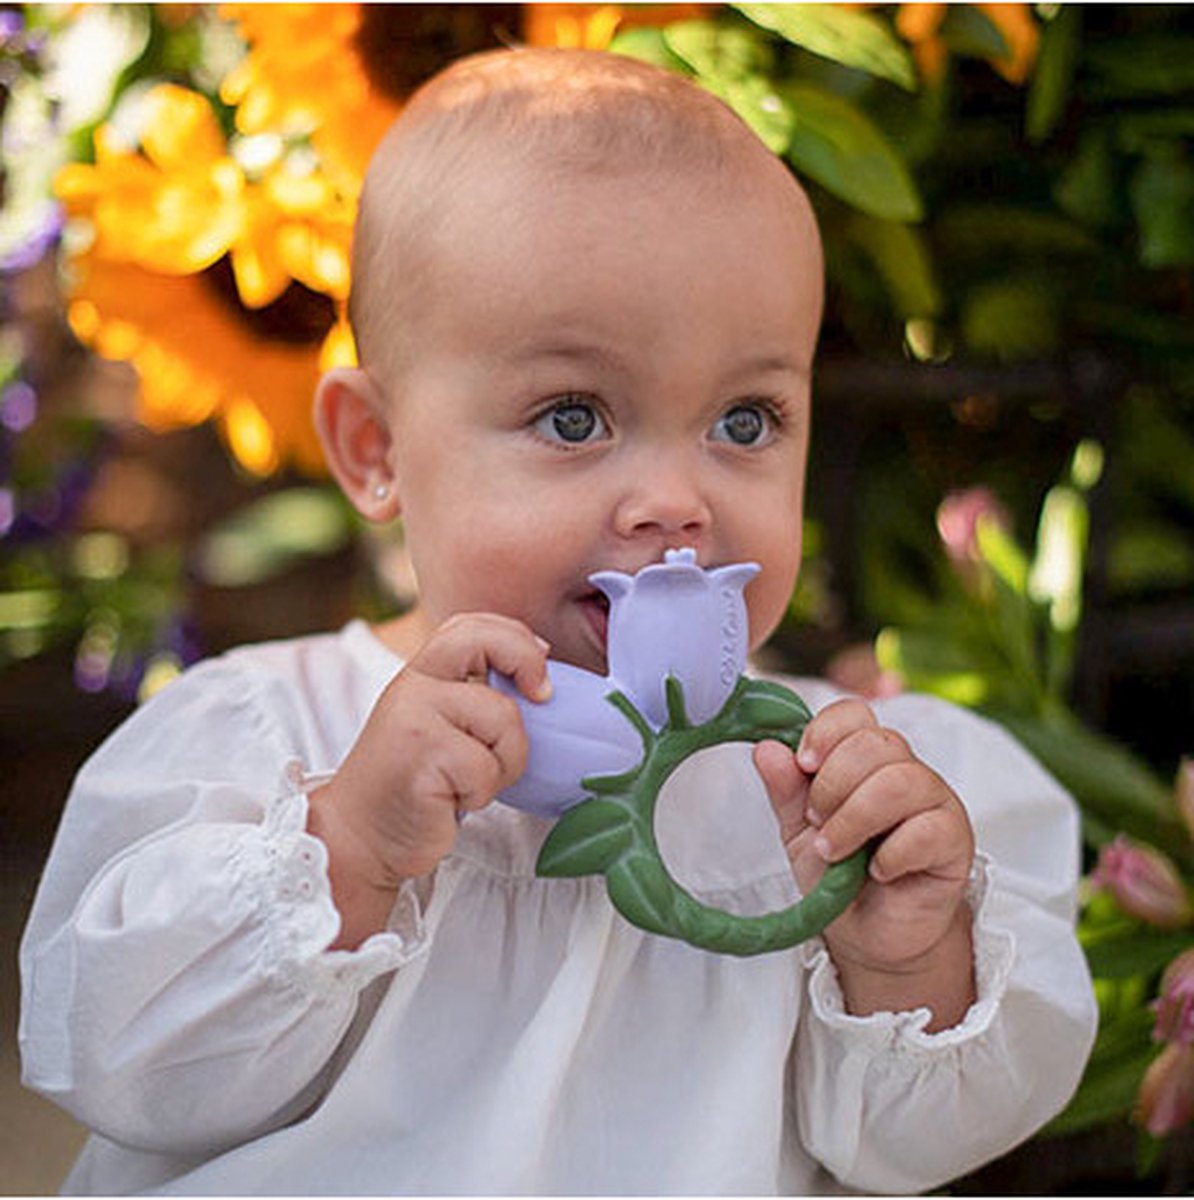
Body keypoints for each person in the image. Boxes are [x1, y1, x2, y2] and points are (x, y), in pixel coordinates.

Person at [20, 47, 1096, 1195]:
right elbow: (111, 1060)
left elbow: (924, 1144)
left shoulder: (830, 802)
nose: (679, 501)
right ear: (376, 450)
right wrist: (346, 850)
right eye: (574, 416)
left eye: (745, 419)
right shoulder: (268, 740)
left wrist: (910, 957)